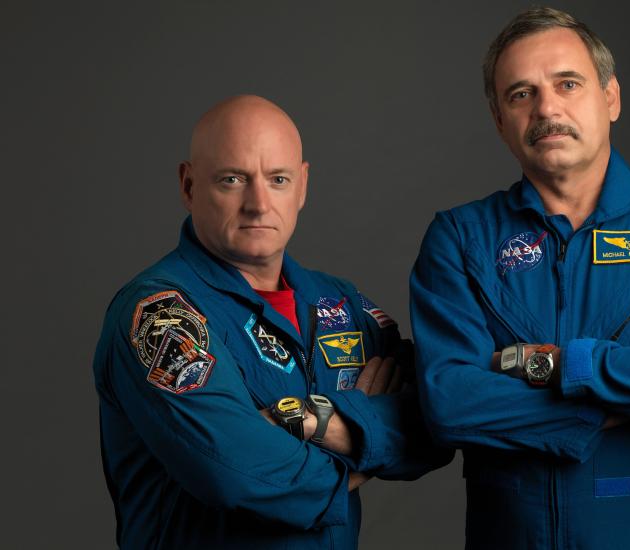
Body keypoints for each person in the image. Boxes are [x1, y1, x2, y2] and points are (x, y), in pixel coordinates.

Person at [410, 7, 630, 549]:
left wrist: (560, 365)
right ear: (499, 119)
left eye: (567, 83)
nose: (546, 108)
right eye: (521, 94)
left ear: (611, 98)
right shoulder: (461, 238)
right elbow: (451, 404)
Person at [93, 95, 451, 549]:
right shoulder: (160, 314)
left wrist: (323, 426)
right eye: (232, 180)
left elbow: (441, 417)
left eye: (277, 179)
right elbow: (235, 473)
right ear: (188, 186)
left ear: (302, 186)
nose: (258, 204)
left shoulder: (339, 302)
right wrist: (365, 452)